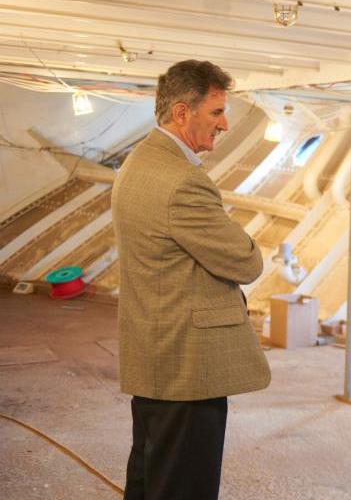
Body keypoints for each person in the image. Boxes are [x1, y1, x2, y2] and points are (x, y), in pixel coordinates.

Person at [112, 60, 271, 500]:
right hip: (186, 367)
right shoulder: (183, 182)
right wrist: (249, 245)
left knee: (149, 480)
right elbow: (246, 261)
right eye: (217, 112)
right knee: (184, 488)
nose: (225, 124)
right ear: (182, 113)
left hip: (155, 356)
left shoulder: (138, 163)